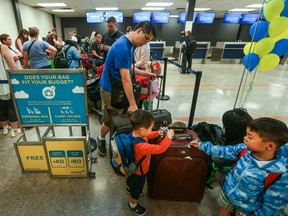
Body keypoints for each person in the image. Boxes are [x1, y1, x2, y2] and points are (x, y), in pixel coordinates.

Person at [189, 117, 288, 216]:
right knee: (223, 208)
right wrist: (202, 146)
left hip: (248, 207)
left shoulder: (279, 173)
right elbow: (225, 151)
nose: (245, 138)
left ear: (270, 146)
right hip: (228, 191)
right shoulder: (244, 149)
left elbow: (273, 205)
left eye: (250, 137)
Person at [97, 21, 157, 156]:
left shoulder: (129, 44)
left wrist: (145, 73)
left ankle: (115, 134)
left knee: (117, 115)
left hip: (116, 87)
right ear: (139, 31)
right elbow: (125, 78)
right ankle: (101, 138)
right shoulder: (123, 47)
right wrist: (133, 104)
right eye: (146, 38)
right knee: (110, 118)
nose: (146, 43)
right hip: (110, 89)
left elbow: (128, 67)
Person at [126, 110, 174, 216]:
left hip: (132, 167)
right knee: (137, 189)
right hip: (139, 172)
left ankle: (130, 188)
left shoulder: (134, 134)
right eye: (151, 128)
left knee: (132, 181)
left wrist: (157, 133)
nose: (152, 129)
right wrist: (168, 137)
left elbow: (146, 136)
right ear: (142, 129)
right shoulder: (141, 147)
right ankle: (132, 204)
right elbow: (160, 148)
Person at [0, 43, 22, 137]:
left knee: (1, 107)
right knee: (11, 106)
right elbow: (12, 66)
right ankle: (14, 129)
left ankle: (5, 127)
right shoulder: (3, 48)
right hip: (5, 82)